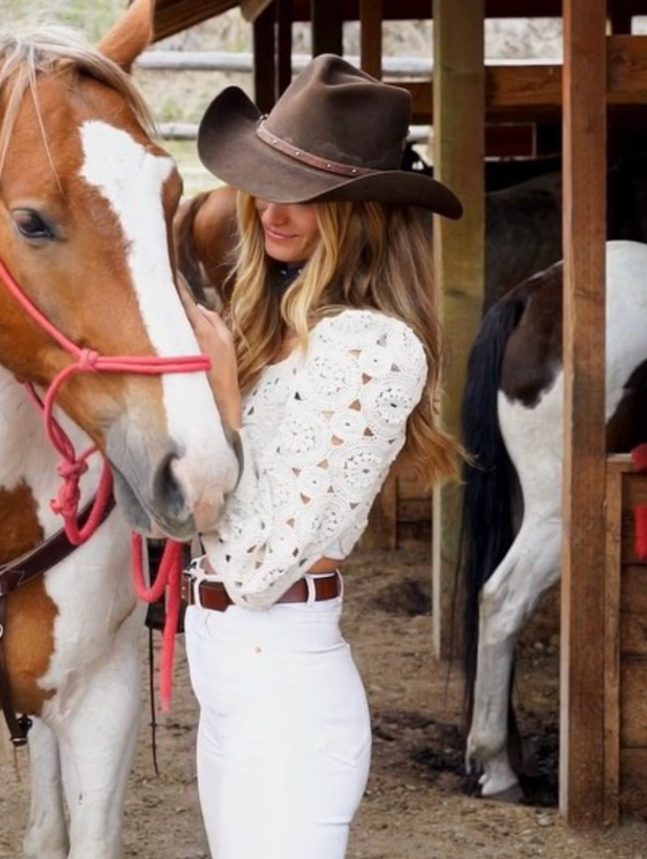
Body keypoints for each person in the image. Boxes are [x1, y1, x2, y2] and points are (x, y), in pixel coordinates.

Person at [181, 55, 464, 859]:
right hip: (234, 671)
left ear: (361, 211)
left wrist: (224, 402)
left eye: (300, 193)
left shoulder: (375, 349)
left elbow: (260, 566)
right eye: (263, 180)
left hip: (283, 681)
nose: (269, 207)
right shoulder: (280, 330)